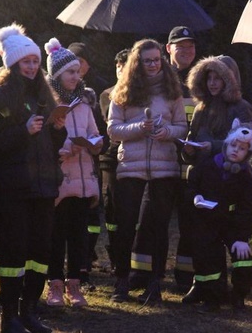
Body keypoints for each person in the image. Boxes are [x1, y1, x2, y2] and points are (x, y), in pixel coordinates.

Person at [0, 23, 67, 333]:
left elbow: (51, 144)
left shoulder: (44, 94)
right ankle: (9, 316)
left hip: (43, 188)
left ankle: (30, 310)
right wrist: (23, 131)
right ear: (12, 64)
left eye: (34, 62)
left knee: (40, 253)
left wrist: (58, 130)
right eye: (25, 62)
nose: (31, 67)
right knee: (13, 255)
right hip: (12, 190)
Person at [107, 39, 187, 304]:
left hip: (165, 167)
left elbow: (182, 128)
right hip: (130, 166)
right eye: (147, 60)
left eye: (156, 60)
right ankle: (121, 281)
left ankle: (155, 284)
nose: (153, 65)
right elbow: (113, 130)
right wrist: (140, 127)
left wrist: (167, 133)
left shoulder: (172, 90)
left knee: (159, 227)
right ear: (136, 63)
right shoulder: (123, 90)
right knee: (126, 225)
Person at [180, 56, 252, 304]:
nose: (212, 83)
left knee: (233, 242)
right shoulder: (201, 107)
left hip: (230, 185)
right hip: (204, 183)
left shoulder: (241, 107)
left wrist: (209, 147)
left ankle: (237, 294)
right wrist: (188, 150)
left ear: (229, 79)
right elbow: (191, 139)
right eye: (209, 78)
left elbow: (243, 143)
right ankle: (203, 286)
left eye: (218, 78)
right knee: (202, 243)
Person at [44, 38, 102, 308]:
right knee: (55, 235)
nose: (75, 76)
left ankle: (75, 285)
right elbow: (44, 141)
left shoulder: (84, 104)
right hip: (59, 182)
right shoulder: (48, 104)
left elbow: (95, 134)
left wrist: (94, 144)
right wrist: (64, 149)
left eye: (77, 72)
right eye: (70, 72)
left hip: (82, 181)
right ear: (56, 75)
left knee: (78, 236)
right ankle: (54, 285)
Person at [186, 120, 252, 312]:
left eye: (242, 148)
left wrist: (241, 238)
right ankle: (211, 297)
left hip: (231, 225)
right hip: (207, 222)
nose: (236, 150)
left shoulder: (246, 179)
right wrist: (195, 196)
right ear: (226, 145)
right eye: (234, 145)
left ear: (248, 153)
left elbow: (246, 210)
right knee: (208, 257)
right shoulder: (206, 166)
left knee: (245, 258)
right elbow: (191, 185)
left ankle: (238, 296)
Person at [69, 41, 110, 279]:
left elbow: (100, 129)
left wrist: (95, 142)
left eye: (80, 63)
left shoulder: (96, 93)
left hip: (89, 163)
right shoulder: (54, 94)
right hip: (66, 166)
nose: (75, 69)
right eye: (71, 65)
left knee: (90, 215)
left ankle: (85, 257)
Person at [97, 48, 129, 274]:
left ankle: (130, 259)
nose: (121, 71)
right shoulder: (106, 94)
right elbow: (108, 122)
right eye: (118, 67)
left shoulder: (142, 94)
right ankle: (115, 256)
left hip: (130, 159)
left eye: (126, 67)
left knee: (129, 211)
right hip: (109, 159)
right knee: (112, 208)